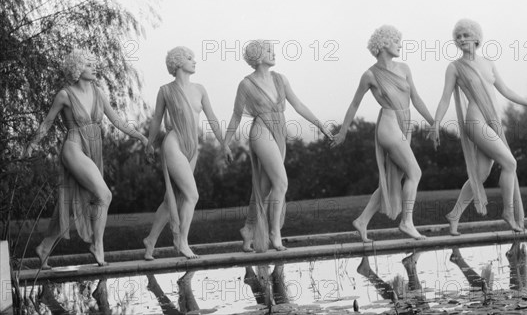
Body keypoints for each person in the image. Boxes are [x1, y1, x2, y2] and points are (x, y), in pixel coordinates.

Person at [23, 49, 148, 268]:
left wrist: (141, 136)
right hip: (74, 148)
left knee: (69, 202)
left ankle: (44, 247)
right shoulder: (65, 94)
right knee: (104, 195)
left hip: (94, 150)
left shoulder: (98, 92)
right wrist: (33, 143)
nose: (94, 67)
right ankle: (97, 245)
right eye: (89, 64)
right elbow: (47, 122)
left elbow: (117, 120)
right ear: (78, 68)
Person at [431, 19, 527, 235]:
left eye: (465, 35)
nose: (461, 39)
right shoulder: (454, 67)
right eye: (458, 36)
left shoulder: (488, 62)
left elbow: (505, 90)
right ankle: (508, 212)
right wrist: (436, 123)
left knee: (481, 173)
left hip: (492, 121)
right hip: (475, 121)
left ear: (476, 38)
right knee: (510, 162)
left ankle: (454, 215)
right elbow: (444, 99)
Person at [223, 40, 332, 253]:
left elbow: (298, 105)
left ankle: (248, 229)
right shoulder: (246, 84)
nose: (274, 53)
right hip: (260, 132)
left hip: (279, 133)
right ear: (258, 56)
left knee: (264, 188)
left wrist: (320, 125)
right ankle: (275, 233)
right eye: (269, 51)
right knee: (281, 183)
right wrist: (225, 143)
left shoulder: (280, 79)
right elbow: (236, 116)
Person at [332, 25, 434, 241]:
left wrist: (433, 123)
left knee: (391, 180)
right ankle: (407, 222)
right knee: (415, 173)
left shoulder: (405, 68)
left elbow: (416, 99)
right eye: (396, 41)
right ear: (384, 43)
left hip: (405, 124)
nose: (400, 44)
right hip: (388, 125)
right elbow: (354, 104)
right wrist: (342, 132)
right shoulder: (369, 75)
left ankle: (361, 221)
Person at [143, 46, 230, 260]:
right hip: (173, 143)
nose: (194, 61)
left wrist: (224, 143)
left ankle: (150, 240)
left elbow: (212, 118)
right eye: (190, 58)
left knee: (171, 198)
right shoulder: (165, 90)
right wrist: (150, 143)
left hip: (192, 146)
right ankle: (182, 241)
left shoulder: (199, 89)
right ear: (178, 63)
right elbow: (156, 119)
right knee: (192, 194)